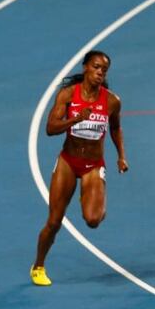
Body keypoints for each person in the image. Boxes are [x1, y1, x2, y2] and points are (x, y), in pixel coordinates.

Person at [30, 50, 128, 286]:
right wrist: (75, 119)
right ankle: (38, 266)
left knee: (93, 219)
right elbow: (50, 129)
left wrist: (121, 156)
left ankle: (91, 192)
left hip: (93, 165)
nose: (99, 72)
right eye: (96, 67)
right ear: (85, 67)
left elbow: (115, 128)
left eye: (104, 70)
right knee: (54, 222)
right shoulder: (67, 95)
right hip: (68, 162)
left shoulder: (112, 101)